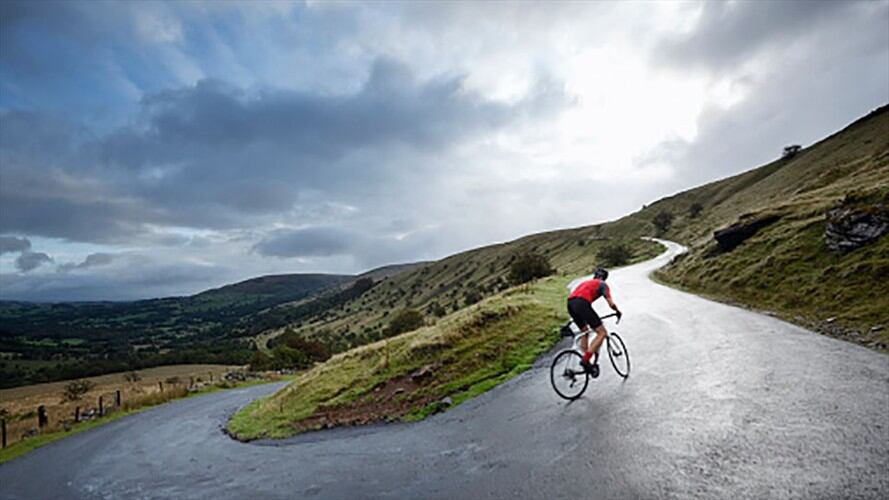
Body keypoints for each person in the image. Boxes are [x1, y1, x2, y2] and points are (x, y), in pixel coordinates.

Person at [566, 267, 621, 374]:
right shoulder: (603, 285)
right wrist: (618, 311)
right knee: (602, 333)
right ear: (604, 278)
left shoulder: (586, 282)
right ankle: (586, 360)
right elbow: (611, 304)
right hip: (582, 304)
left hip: (570, 303)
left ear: (594, 276)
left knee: (584, 331)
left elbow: (579, 298)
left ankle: (587, 361)